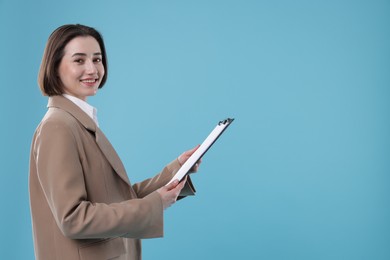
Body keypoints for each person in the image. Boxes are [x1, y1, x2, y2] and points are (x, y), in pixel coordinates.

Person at [29, 24, 201, 260]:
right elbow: (73, 219)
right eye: (79, 60)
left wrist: (176, 170)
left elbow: (116, 200)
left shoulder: (77, 121)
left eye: (97, 59)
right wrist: (155, 204)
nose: (92, 69)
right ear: (55, 66)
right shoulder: (58, 126)